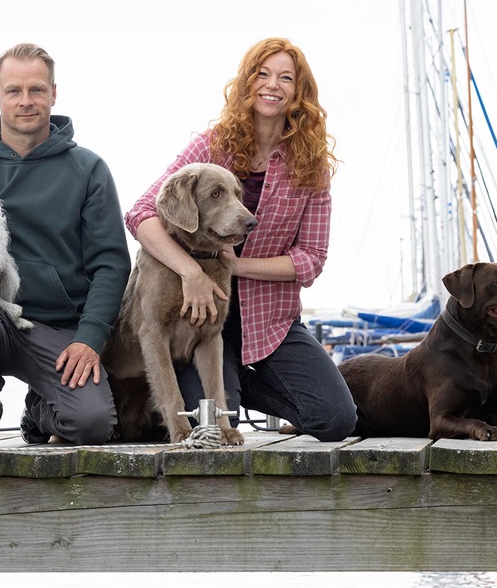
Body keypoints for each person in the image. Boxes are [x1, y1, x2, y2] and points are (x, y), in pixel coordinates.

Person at [123, 37, 356, 442]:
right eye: (263, 74)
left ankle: (242, 389)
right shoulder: (211, 145)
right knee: (207, 428)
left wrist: (234, 265)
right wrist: (191, 272)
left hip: (271, 321)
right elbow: (142, 213)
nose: (273, 84)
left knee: (335, 419)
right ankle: (225, 390)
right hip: (201, 321)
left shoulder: (311, 167)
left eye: (286, 77)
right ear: (247, 83)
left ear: (299, 92)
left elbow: (311, 259)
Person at [0, 43, 131, 447]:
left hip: (62, 330)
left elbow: (112, 265)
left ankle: (39, 411)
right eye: (14, 91)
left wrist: (89, 338)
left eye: (37, 90)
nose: (25, 102)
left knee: (91, 424)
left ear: (53, 93)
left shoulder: (89, 169)